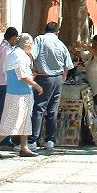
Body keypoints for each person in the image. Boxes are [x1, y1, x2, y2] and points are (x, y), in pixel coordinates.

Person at [0, 33, 44, 158]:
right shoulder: (18, 56)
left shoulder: (16, 54)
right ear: (26, 44)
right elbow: (22, 76)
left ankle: (24, 147)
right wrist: (37, 85)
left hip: (21, 92)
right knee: (14, 120)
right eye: (31, 45)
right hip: (18, 94)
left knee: (24, 120)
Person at [29, 22, 74, 153]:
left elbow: (32, 55)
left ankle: (33, 140)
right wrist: (63, 78)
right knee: (53, 110)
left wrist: (32, 69)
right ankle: (50, 139)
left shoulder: (40, 39)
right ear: (57, 32)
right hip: (58, 78)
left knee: (39, 108)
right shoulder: (61, 44)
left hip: (44, 77)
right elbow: (68, 65)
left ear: (45, 29)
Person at [72, 34, 97, 128]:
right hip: (90, 88)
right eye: (92, 43)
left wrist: (85, 45)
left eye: (95, 44)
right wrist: (74, 47)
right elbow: (79, 54)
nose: (93, 45)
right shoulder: (91, 55)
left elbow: (95, 52)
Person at [0, 27, 19, 147]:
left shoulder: (4, 47)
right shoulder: (6, 49)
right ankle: (4, 139)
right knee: (5, 112)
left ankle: (5, 138)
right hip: (6, 83)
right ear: (13, 37)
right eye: (16, 38)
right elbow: (7, 68)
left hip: (4, 82)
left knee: (5, 111)